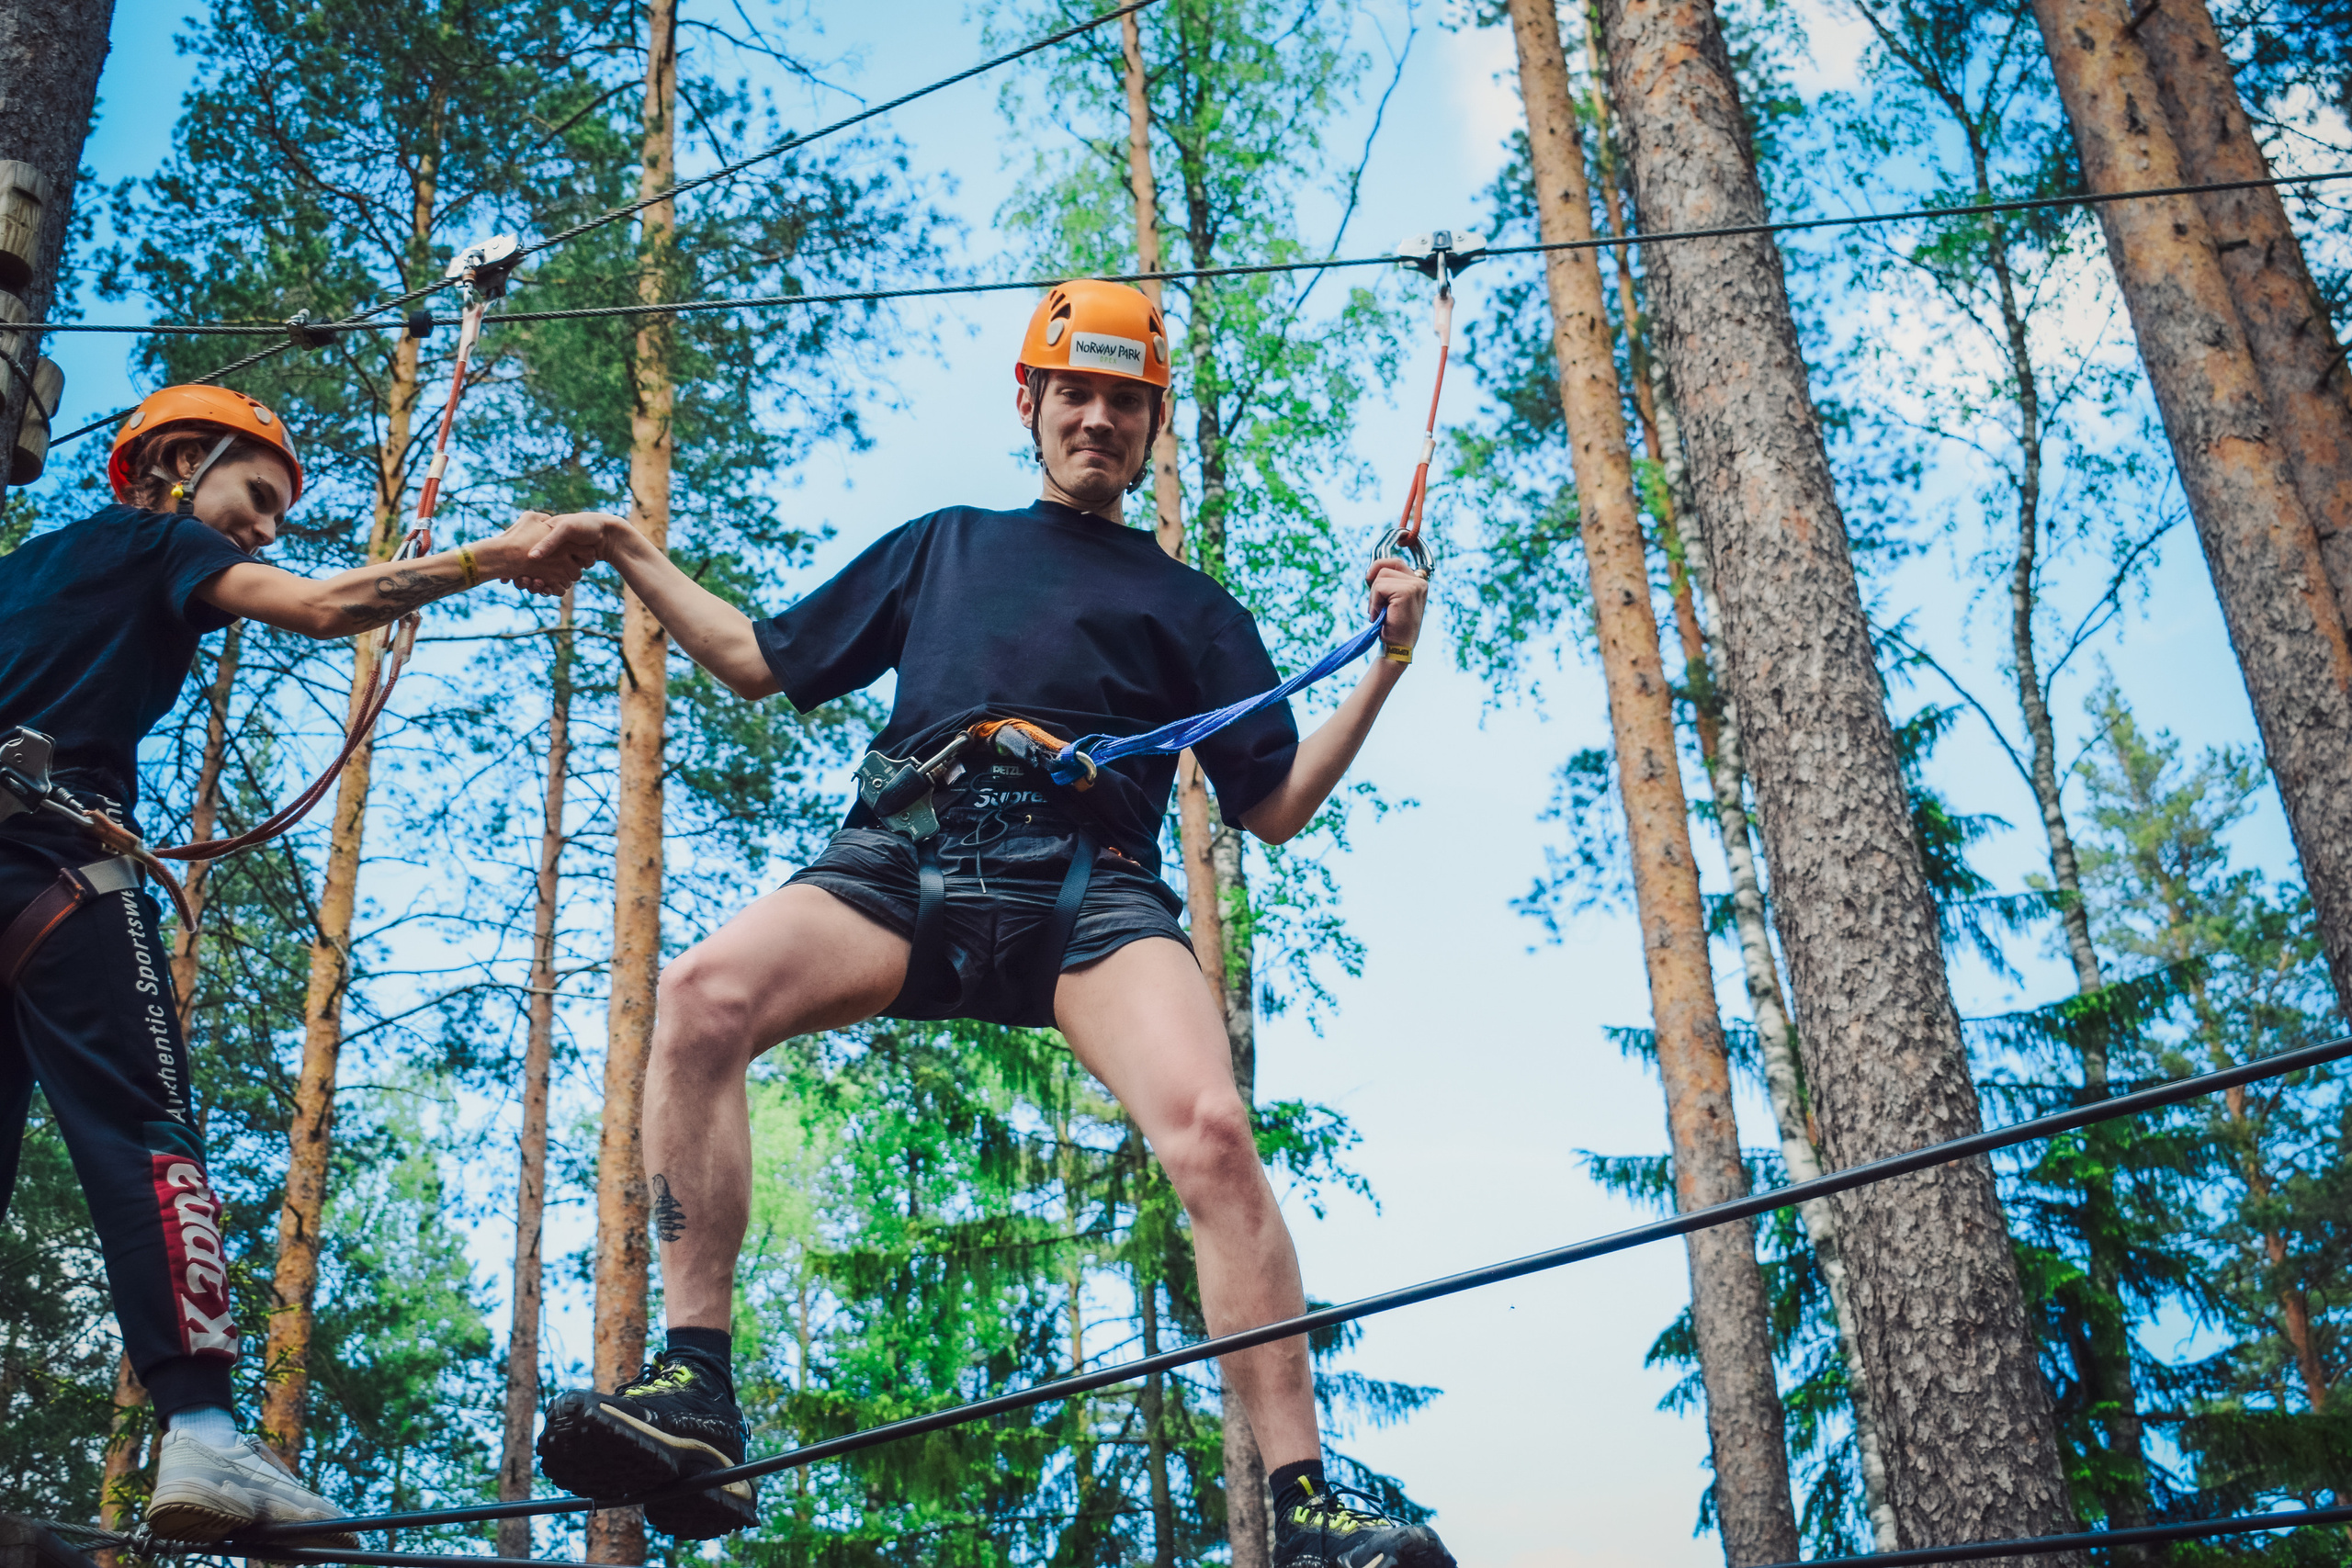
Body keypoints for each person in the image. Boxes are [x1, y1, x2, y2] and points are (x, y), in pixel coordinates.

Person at [525, 279, 1454, 1568]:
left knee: (1214, 1129)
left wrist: (1387, 663)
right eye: (1075, 392)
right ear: (1031, 402)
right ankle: (696, 1389)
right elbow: (751, 657)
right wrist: (629, 546)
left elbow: (1276, 805)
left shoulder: (1194, 610)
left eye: (1125, 401)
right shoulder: (945, 545)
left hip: (1095, 888)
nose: (1098, 418)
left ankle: (1301, 1505)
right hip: (910, 857)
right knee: (698, 996)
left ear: (1152, 424)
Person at [0, 385, 589, 1542]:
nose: (266, 530)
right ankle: (206, 1433)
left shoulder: (29, 566)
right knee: (145, 1133)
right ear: (177, 458)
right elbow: (321, 609)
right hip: (53, 866)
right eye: (257, 498)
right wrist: (490, 556)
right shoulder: (157, 537)